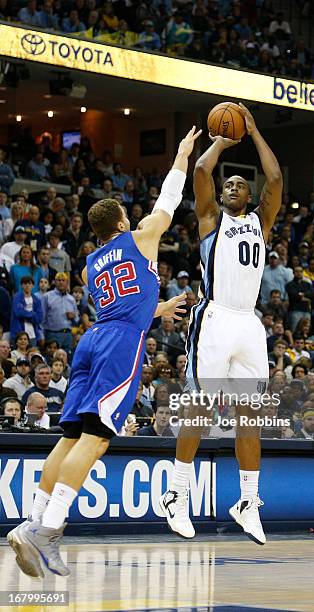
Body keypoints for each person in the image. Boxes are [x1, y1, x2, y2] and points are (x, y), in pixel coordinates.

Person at [7, 126, 201, 579]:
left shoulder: (92, 263)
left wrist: (160, 307)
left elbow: (124, 308)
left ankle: (33, 522)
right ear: (120, 222)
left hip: (91, 341)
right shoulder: (141, 236)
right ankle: (48, 531)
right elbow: (168, 202)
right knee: (96, 440)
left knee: (70, 437)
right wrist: (182, 154)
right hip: (118, 346)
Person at [161, 103, 282, 545]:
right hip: (213, 316)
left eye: (237, 184)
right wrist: (222, 141)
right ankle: (176, 495)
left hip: (249, 323)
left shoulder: (260, 222)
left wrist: (252, 130)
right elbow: (200, 171)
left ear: (247, 196)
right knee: (202, 407)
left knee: (251, 414)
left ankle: (248, 502)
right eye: (227, 183)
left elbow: (275, 180)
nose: (230, 186)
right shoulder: (211, 220)